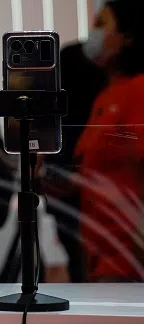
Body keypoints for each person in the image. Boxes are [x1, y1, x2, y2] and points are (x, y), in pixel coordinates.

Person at [73, 0, 144, 281]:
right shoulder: (106, 96)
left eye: (101, 25)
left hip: (130, 261)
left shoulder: (138, 91)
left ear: (127, 36)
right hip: (101, 258)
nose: (94, 34)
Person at [41, 38, 107, 282]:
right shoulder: (98, 113)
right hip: (84, 188)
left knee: (79, 259)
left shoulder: (61, 121)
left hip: (67, 182)